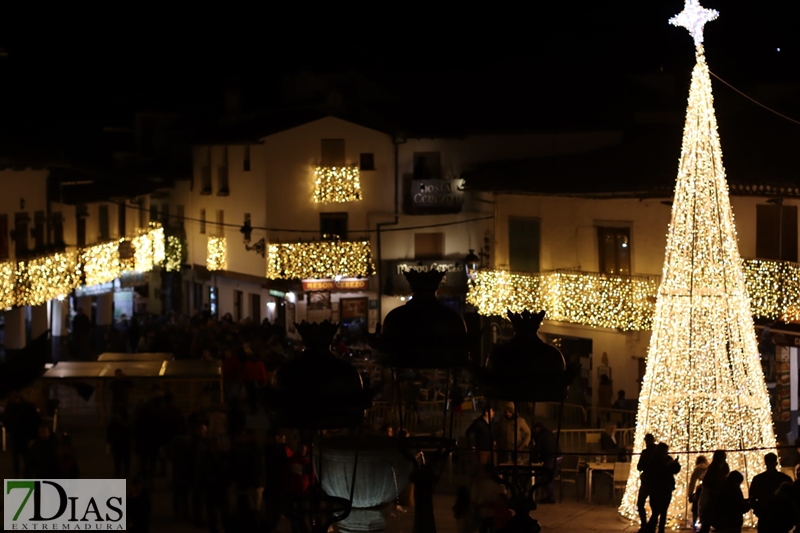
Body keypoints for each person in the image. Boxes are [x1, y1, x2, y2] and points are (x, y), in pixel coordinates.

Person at [749, 453, 792, 532]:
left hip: (766, 516)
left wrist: (758, 511)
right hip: (780, 517)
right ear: (776, 463)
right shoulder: (784, 478)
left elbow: (752, 497)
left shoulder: (758, 479)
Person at [3, 390, 41, 477]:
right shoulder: (12, 407)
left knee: (25, 456)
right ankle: (19, 473)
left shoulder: (25, 407)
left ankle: (25, 474)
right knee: (19, 455)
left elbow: (36, 420)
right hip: (18, 434)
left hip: (24, 434)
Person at [646, 442, 681, 533]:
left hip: (665, 488)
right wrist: (667, 466)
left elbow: (675, 470)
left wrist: (675, 464)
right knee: (657, 510)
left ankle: (657, 529)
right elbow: (654, 472)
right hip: (657, 487)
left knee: (662, 510)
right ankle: (650, 528)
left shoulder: (667, 459)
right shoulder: (655, 461)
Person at [698, 450, 729, 533]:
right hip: (712, 499)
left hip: (715, 498)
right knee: (708, 522)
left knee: (709, 523)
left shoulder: (719, 467)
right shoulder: (713, 469)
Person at [531, 421, 558, 504]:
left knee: (546, 477)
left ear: (537, 429)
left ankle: (551, 497)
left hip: (551, 457)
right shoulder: (549, 433)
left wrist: (534, 459)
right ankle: (550, 495)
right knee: (550, 476)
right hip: (557, 456)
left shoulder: (540, 435)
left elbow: (537, 448)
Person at [636, 433, 656, 531]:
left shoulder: (645, 452)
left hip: (647, 481)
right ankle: (651, 526)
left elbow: (639, 467)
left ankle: (644, 525)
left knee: (640, 504)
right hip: (656, 482)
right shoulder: (658, 451)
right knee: (655, 505)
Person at [107, 409, 132, 478]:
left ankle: (117, 473)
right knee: (126, 460)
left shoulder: (113, 421)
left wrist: (109, 442)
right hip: (126, 444)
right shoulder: (129, 422)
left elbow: (109, 432)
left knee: (117, 461)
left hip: (116, 444)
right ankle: (126, 474)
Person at [688, 455, 709, 532]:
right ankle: (704, 524)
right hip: (707, 491)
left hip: (699, 491)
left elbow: (692, 483)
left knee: (695, 509)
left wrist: (690, 494)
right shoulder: (709, 468)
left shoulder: (697, 470)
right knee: (705, 509)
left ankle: (694, 524)